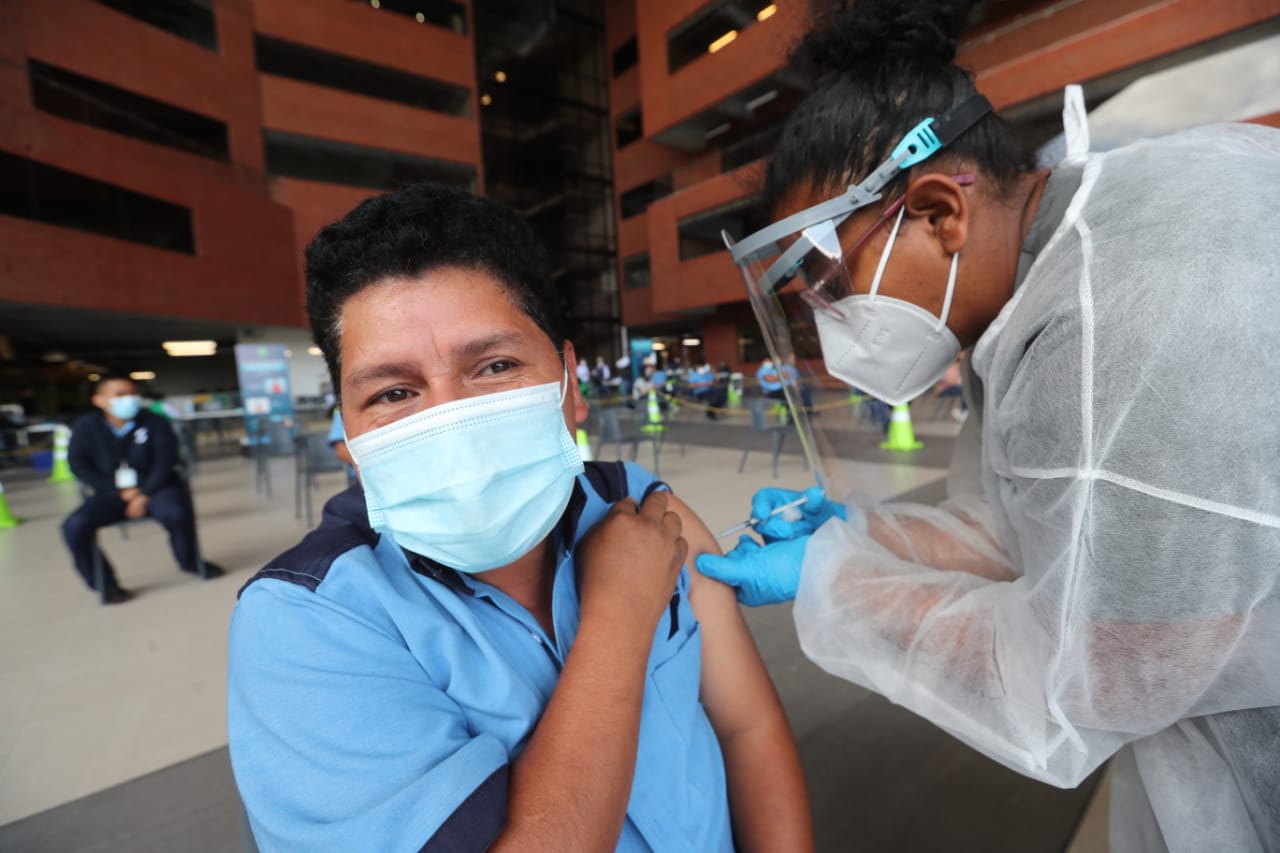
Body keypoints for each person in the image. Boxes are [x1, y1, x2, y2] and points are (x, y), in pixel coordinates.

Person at [696, 2, 1280, 851]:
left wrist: (837, 581)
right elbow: (1045, 532)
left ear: (940, 212)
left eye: (829, 284)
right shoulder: (1063, 263)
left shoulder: (1108, 314)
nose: (828, 322)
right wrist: (867, 532)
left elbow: (1096, 669)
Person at [227, 184, 812, 851]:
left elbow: (747, 726)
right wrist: (620, 616)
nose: (449, 421)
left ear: (570, 382)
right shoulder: (308, 622)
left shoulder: (645, 507)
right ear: (349, 433)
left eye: (495, 365)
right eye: (394, 391)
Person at [62, 375, 223, 603]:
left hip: (157, 488)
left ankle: (190, 562)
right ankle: (105, 585)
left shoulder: (155, 422)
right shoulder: (86, 427)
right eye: (120, 395)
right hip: (111, 493)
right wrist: (117, 491)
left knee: (176, 512)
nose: (129, 399)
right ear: (99, 400)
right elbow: (78, 464)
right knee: (75, 526)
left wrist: (143, 494)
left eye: (132, 393)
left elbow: (166, 461)